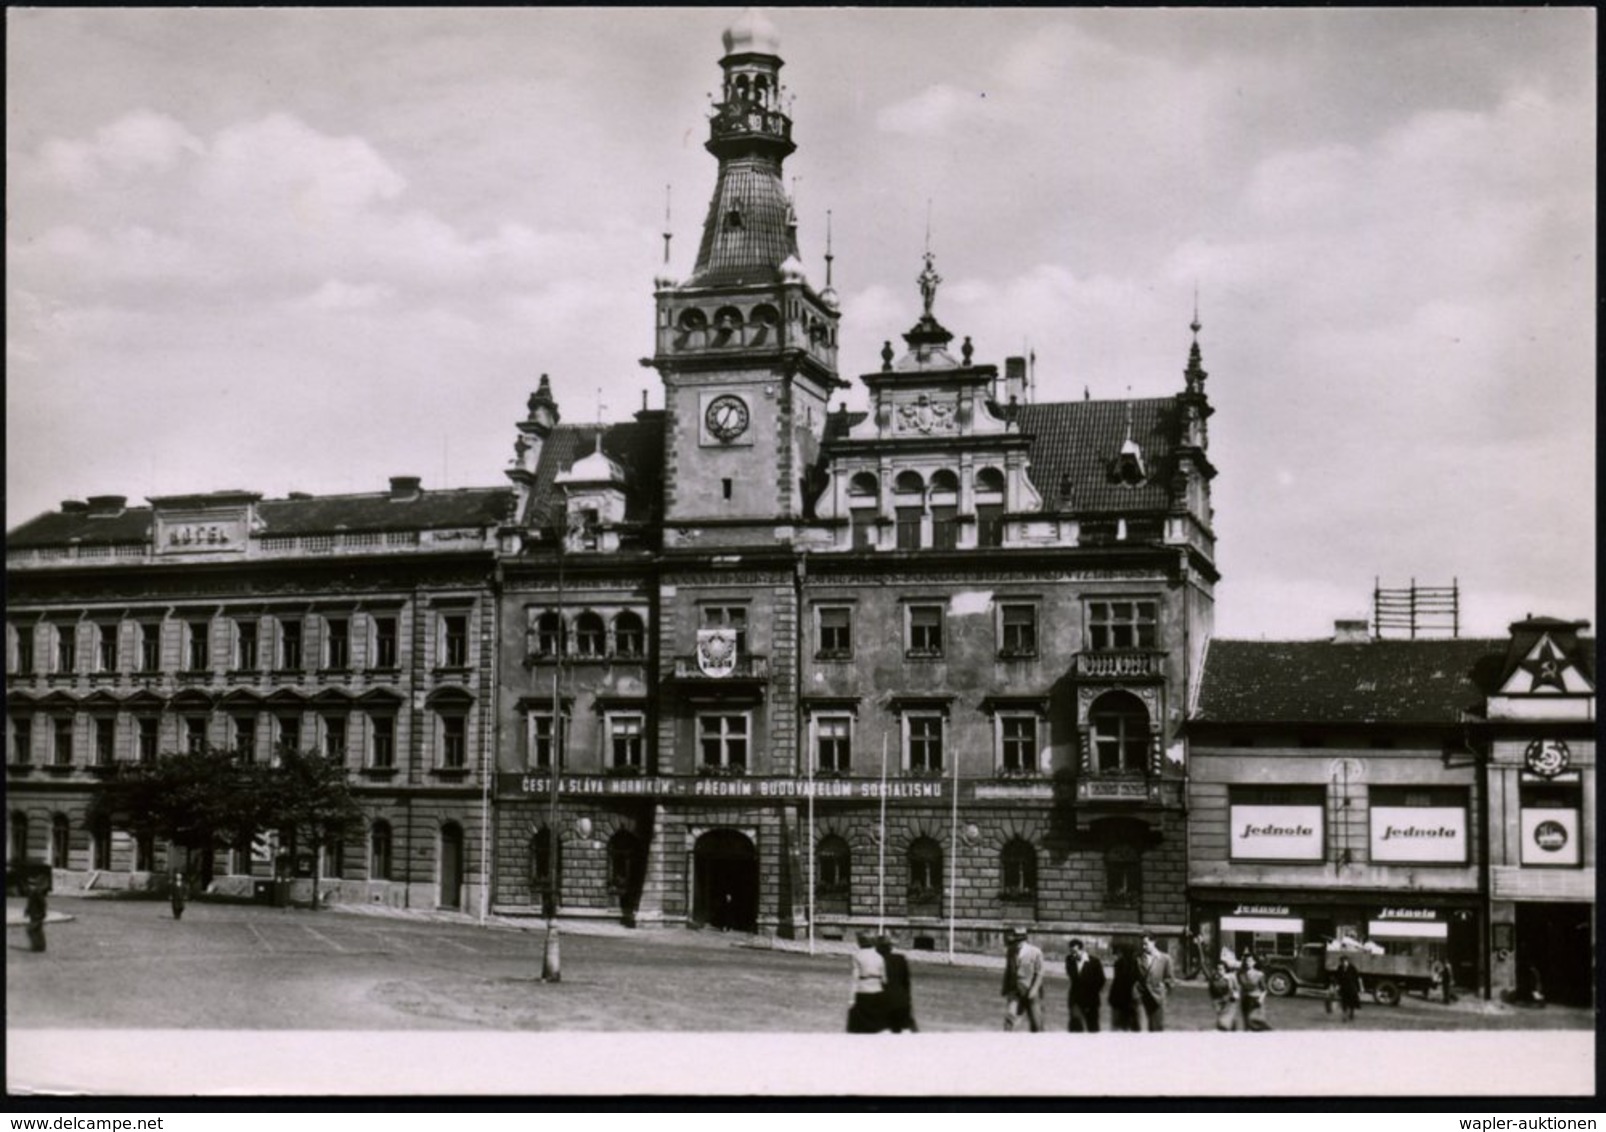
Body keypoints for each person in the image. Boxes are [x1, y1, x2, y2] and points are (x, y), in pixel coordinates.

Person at [1001, 926, 1045, 1032]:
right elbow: (1008, 971)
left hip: (1031, 992)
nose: (1018, 943)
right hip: (1015, 991)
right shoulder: (1010, 951)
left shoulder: (1036, 952)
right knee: (1010, 1019)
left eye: (1021, 940)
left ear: (1026, 940)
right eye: (1016, 940)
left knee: (1036, 1024)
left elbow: (1039, 973)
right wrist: (1005, 988)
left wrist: (1033, 990)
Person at [1135, 932, 1176, 1032]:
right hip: (1141, 998)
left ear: (1154, 942)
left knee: (1156, 1029)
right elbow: (1134, 978)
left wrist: (1162, 994)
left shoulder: (1165, 958)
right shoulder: (1137, 958)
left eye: (1146, 943)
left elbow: (1170, 980)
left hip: (1157, 999)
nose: (1144, 947)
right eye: (1142, 944)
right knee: (1141, 1029)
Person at [847, 930, 887, 1033]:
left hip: (863, 991)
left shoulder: (857, 956)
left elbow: (855, 978)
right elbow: (884, 979)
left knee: (862, 1026)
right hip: (878, 992)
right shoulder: (880, 957)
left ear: (859, 942)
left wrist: (851, 998)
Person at [877, 935, 918, 1033]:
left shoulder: (875, 961)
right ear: (890, 947)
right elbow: (906, 983)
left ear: (877, 949)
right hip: (901, 1002)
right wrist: (907, 1001)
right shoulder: (900, 958)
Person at [1064, 938, 1105, 1032]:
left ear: (1082, 950)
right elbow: (1072, 976)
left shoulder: (1095, 962)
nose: (1073, 954)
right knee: (1075, 1025)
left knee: (1093, 1028)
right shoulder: (1069, 960)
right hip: (1075, 1000)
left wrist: (1092, 993)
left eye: (1075, 952)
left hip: (1092, 1000)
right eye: (1071, 952)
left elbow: (1101, 980)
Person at [1107, 941, 1143, 1031]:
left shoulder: (1119, 964)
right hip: (1131, 1000)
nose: (1116, 955)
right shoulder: (1135, 964)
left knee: (1119, 1027)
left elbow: (1117, 983)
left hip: (1119, 1000)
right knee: (1133, 1026)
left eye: (1118, 953)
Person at [1236, 952, 1272, 1031]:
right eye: (1246, 961)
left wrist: (1260, 1000)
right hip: (1245, 1000)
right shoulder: (1240, 974)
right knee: (1246, 1023)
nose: (1247, 963)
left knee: (1255, 1022)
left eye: (1250, 961)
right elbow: (1240, 986)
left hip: (1255, 1000)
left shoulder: (1259, 974)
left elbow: (1264, 990)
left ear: (1254, 962)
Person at [1208, 957, 1242, 1031]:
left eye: (1221, 969)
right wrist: (1214, 1000)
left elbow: (1237, 988)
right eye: (1218, 969)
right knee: (1220, 1017)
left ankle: (1230, 1030)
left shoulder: (1231, 977)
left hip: (1229, 1000)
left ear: (1225, 969)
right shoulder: (1214, 978)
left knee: (1226, 1018)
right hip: (1218, 1000)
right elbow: (1211, 989)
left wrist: (1235, 995)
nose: (1219, 971)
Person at [1333, 955, 1364, 1023]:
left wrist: (1361, 987)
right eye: (1342, 962)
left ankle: (1351, 1013)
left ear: (1347, 961)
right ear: (1341, 962)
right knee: (1344, 1002)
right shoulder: (1340, 968)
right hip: (1344, 988)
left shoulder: (1352, 968)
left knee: (1352, 1002)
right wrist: (1337, 986)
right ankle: (1344, 1016)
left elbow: (1359, 978)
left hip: (1352, 988)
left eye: (1345, 961)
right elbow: (1337, 978)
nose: (1344, 963)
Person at [25, 878, 49, 953]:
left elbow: (43, 903)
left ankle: (38, 946)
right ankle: (39, 947)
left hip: (37, 915)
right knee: (37, 931)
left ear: (34, 885)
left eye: (31, 885)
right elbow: (30, 904)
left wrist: (42, 913)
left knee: (30, 930)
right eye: (29, 884)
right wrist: (27, 911)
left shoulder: (37, 892)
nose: (29, 886)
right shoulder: (32, 892)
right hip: (34, 915)